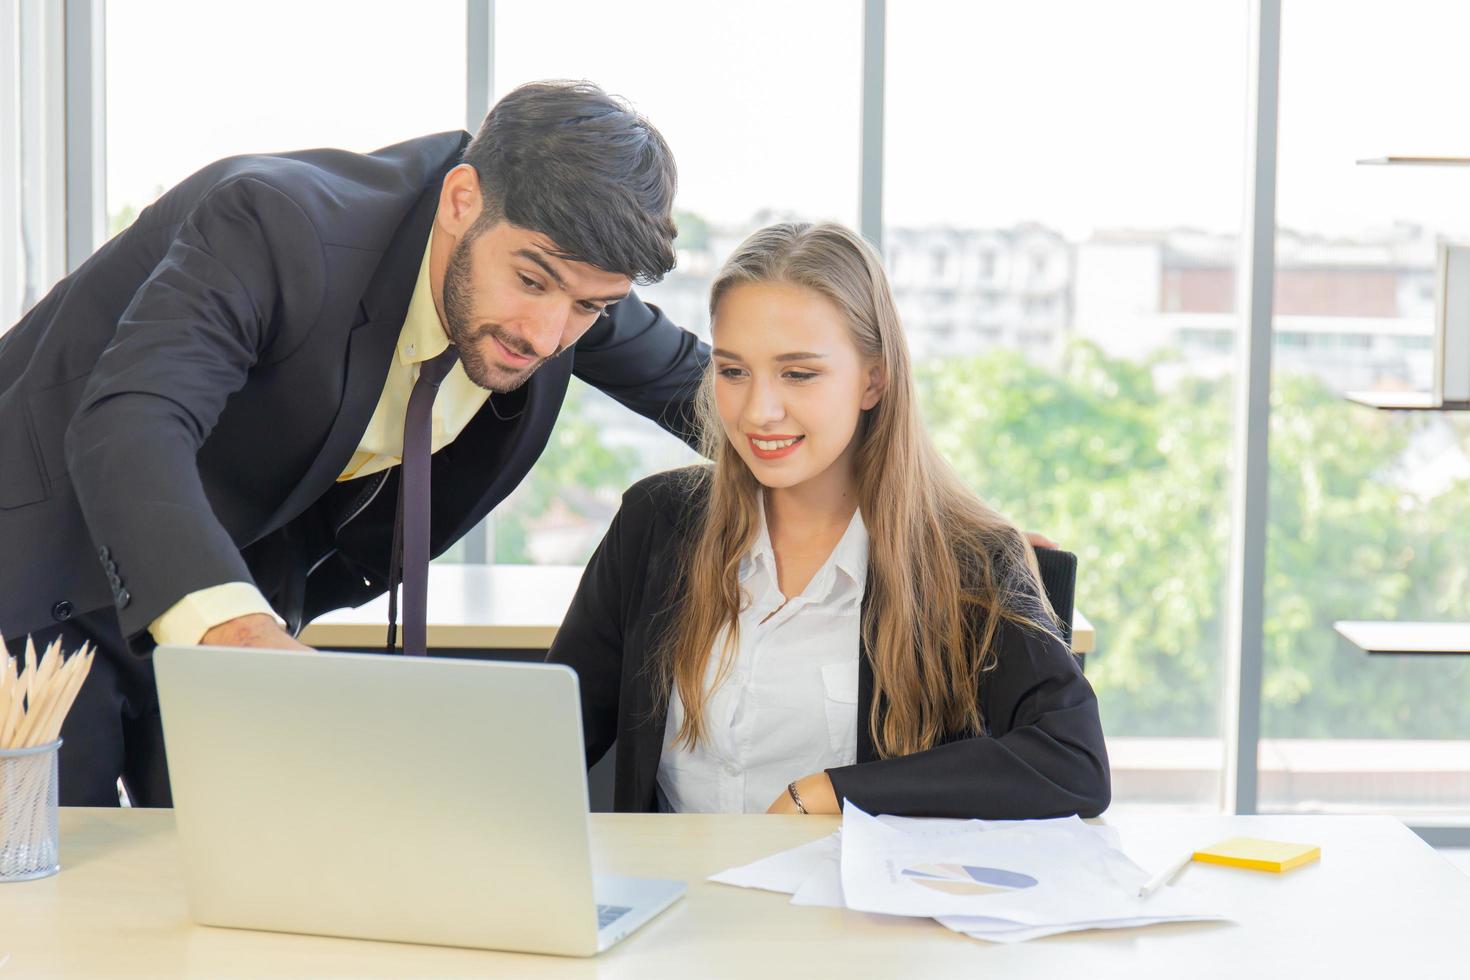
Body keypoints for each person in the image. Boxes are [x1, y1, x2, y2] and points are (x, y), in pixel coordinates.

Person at [0, 81, 707, 806]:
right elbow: (134, 420)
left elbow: (732, 398)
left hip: (242, 587)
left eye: (589, 307)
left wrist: (827, 459)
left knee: (246, 882)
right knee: (51, 889)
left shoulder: (566, 286)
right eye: (530, 281)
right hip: (45, 567)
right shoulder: (276, 222)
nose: (546, 335)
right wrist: (239, 633)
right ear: (462, 199)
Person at [547, 222, 1109, 819]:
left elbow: (1073, 765)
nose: (759, 411)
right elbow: (548, 737)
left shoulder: (966, 559)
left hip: (850, 909)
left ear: (874, 379)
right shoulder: (657, 522)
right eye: (734, 371)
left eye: (798, 374)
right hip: (674, 902)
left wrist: (833, 792)